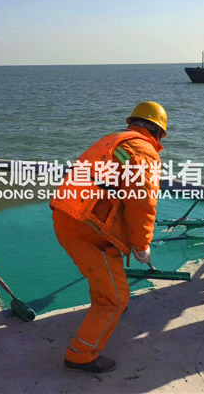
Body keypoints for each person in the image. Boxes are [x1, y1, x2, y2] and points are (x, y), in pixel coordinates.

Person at [49, 101, 167, 373]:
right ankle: (81, 355)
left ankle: (103, 304)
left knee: (105, 274)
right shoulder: (143, 151)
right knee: (116, 298)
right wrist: (142, 244)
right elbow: (142, 203)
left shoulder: (113, 140)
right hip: (89, 229)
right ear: (158, 132)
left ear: (133, 123)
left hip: (69, 216)